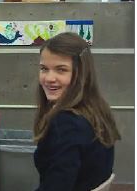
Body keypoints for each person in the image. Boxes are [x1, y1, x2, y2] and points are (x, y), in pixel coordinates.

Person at [34, 32, 120, 191]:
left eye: (61, 70)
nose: (49, 78)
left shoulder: (66, 123)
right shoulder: (96, 110)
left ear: (81, 74)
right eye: (44, 69)